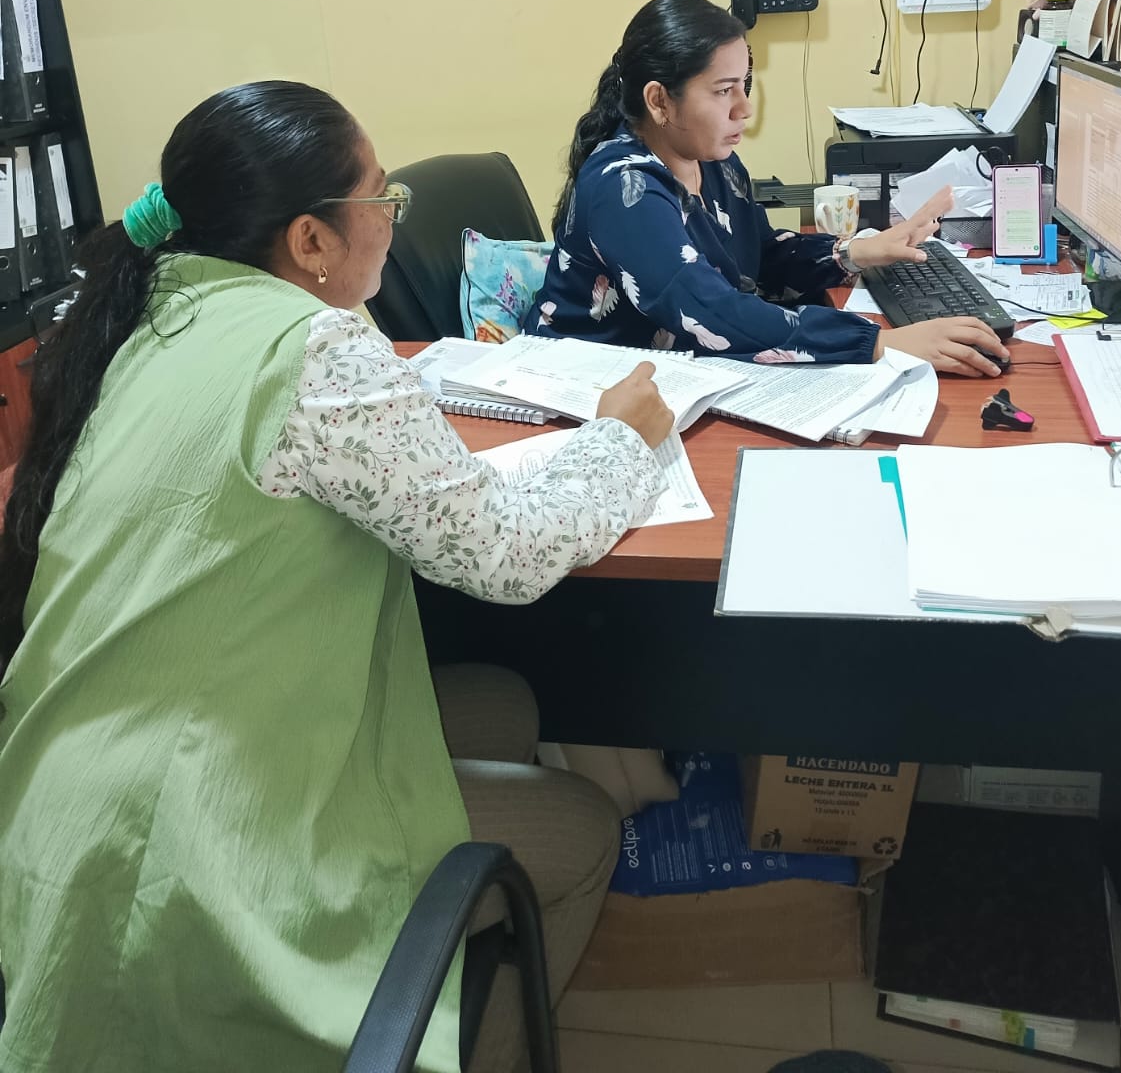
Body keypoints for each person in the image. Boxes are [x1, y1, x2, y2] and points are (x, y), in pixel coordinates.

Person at [0, 81, 673, 1073]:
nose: (393, 219)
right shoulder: (314, 348)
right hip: (179, 845)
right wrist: (621, 440)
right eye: (381, 199)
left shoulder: (152, 317)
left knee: (499, 703)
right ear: (311, 241)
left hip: (63, 796)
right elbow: (507, 552)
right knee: (579, 831)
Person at [526, 0, 1010, 377]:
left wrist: (857, 252)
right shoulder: (624, 187)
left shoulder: (713, 162)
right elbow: (709, 311)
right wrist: (880, 342)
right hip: (588, 386)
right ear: (659, 101)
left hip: (669, 373)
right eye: (723, 91)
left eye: (744, 85)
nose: (745, 108)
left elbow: (759, 257)